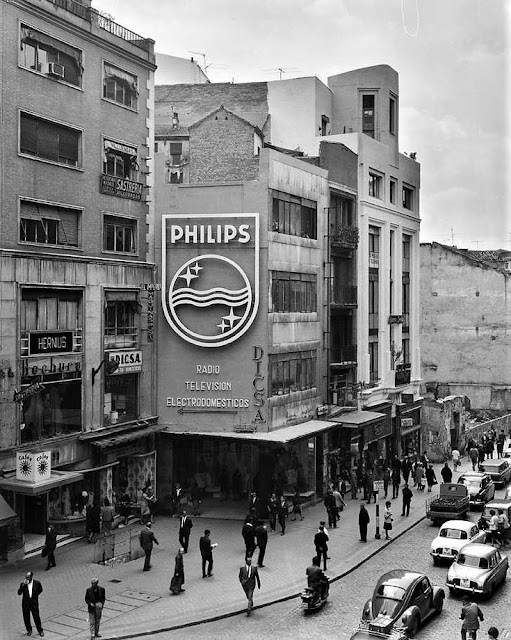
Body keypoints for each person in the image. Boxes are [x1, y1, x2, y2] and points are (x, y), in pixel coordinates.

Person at [17, 571, 44, 637]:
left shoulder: (36, 583)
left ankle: (40, 630)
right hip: (26, 604)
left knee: (36, 617)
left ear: (31, 577)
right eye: (26, 577)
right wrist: (23, 586)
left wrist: (34, 597)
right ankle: (29, 630)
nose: (27, 579)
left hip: (33, 603)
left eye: (28, 577)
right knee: (26, 617)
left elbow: (40, 590)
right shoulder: (23, 584)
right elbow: (19, 593)